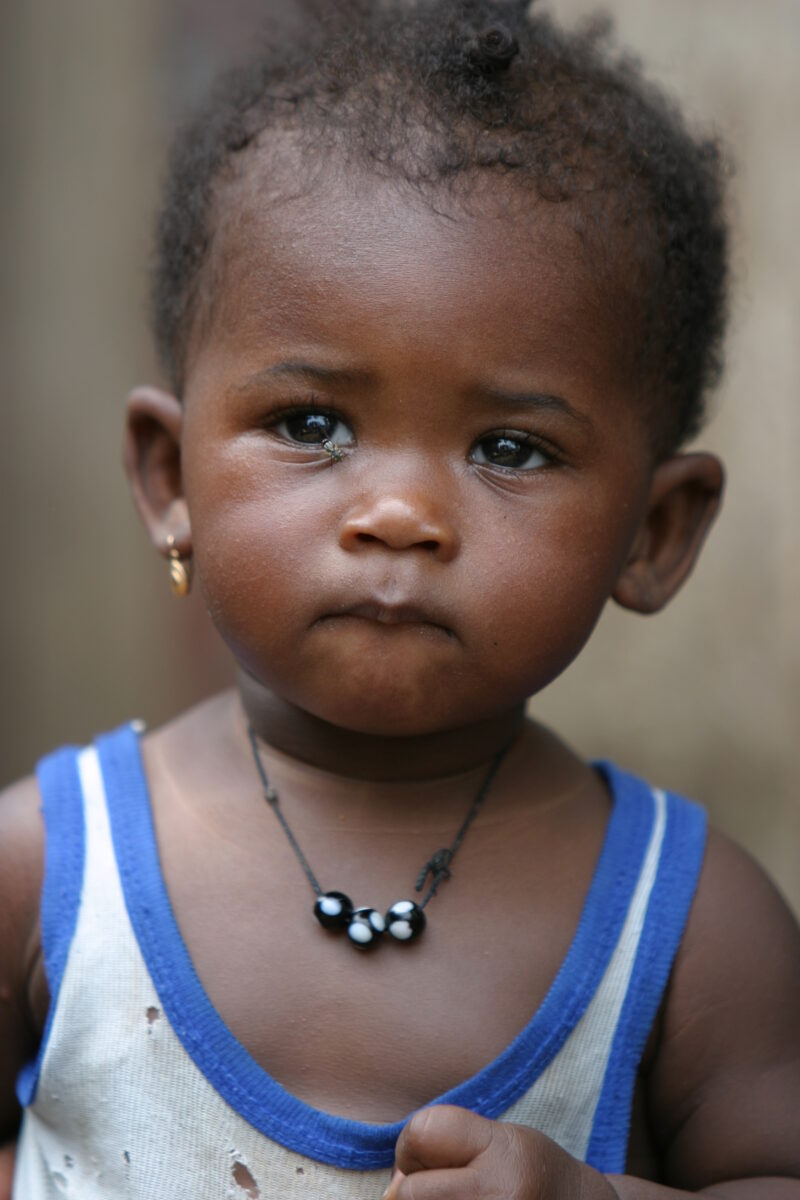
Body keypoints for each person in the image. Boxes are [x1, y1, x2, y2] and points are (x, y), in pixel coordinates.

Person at [1, 0, 799, 1196]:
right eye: (310, 425)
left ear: (653, 531)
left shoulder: (691, 928)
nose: (398, 514)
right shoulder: (48, 870)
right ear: (170, 479)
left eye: (511, 449)